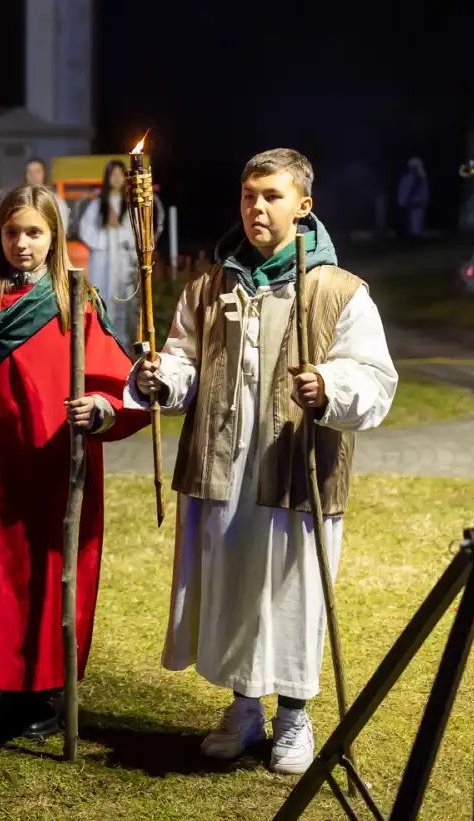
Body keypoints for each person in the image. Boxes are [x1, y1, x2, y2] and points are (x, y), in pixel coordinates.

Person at [129, 149, 397, 774]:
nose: (257, 208)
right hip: (226, 464)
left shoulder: (338, 290)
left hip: (296, 468)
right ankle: (245, 707)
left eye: (272, 196)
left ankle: (295, 716)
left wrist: (329, 387)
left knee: (293, 591)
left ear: (304, 205)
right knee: (236, 584)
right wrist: (160, 378)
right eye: (249, 196)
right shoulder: (211, 283)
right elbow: (185, 363)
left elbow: (375, 378)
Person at [0, 185, 148, 742]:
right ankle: (8, 689)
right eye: (11, 233)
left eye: (34, 233)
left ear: (54, 238)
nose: (21, 244)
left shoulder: (78, 304)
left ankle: (47, 691)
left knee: (51, 577)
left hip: (55, 466)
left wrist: (100, 408)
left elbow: (117, 386)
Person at [77, 160, 139, 347]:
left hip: (122, 261)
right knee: (102, 300)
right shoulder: (97, 205)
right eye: (114, 174)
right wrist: (105, 232)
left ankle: (123, 344)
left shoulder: (130, 205)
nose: (117, 178)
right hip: (103, 261)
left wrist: (117, 228)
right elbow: (85, 231)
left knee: (122, 303)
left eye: (121, 174)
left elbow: (135, 234)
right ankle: (101, 342)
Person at [397, 156, 429, 237]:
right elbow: (403, 194)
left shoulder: (421, 179)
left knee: (417, 227)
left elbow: (424, 193)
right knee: (411, 227)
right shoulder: (407, 179)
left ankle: (415, 239)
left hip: (417, 206)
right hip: (410, 206)